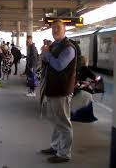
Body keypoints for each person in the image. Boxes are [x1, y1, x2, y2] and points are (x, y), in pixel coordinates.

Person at [40, 19, 77, 163]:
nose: (55, 30)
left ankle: (64, 154)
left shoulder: (69, 48)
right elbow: (47, 63)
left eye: (58, 28)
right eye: (53, 28)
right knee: (55, 120)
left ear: (64, 30)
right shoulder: (55, 45)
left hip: (61, 91)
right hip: (52, 89)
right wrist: (44, 54)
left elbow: (59, 65)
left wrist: (47, 54)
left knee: (64, 123)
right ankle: (55, 147)